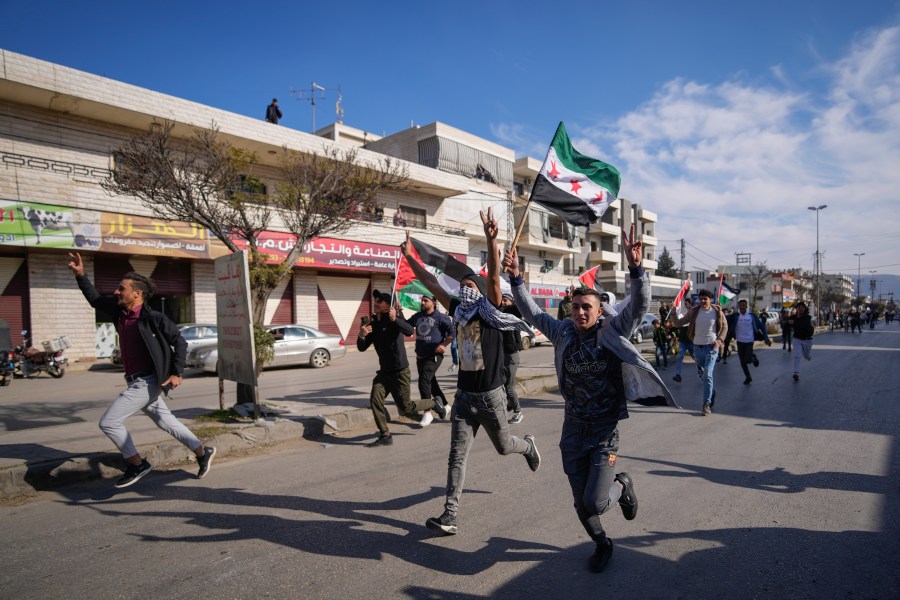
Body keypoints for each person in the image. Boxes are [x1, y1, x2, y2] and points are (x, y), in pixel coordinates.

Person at [505, 225, 678, 573]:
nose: (580, 312)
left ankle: (622, 484)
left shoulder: (612, 331)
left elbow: (640, 305)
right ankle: (603, 545)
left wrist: (636, 269)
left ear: (599, 310)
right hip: (573, 430)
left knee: (596, 502)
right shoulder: (564, 332)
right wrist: (516, 282)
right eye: (575, 307)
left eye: (587, 307)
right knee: (579, 503)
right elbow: (534, 315)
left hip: (603, 434)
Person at [400, 211, 540, 537]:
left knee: (505, 447)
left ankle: (529, 447)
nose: (464, 290)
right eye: (461, 286)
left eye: (468, 286)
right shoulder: (458, 311)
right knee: (456, 457)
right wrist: (410, 258)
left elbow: (492, 278)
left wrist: (492, 240)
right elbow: (432, 282)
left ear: (479, 290)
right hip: (463, 398)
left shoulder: (489, 312)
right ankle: (449, 515)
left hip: (491, 398)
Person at [66, 252, 216, 488]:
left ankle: (136, 463)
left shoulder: (154, 318)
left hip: (148, 381)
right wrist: (81, 275)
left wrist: (177, 372)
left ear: (137, 293)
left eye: (121, 288)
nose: (116, 292)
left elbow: (180, 342)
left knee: (109, 422)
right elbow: (95, 299)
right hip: (134, 379)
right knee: (165, 420)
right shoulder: (120, 314)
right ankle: (201, 451)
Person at [357, 290, 437, 447]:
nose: (376, 302)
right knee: (375, 401)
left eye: (380, 301)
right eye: (375, 300)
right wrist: (361, 335)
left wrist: (396, 319)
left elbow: (409, 331)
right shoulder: (372, 324)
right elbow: (362, 348)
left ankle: (434, 403)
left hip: (400, 372)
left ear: (387, 306)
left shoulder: (393, 320)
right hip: (384, 373)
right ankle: (385, 435)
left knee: (406, 408)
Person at [671, 289, 728, 416]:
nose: (702, 301)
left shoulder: (717, 311)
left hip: (711, 347)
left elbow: (725, 327)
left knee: (708, 374)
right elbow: (679, 323)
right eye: (701, 299)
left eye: (705, 299)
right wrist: (674, 314)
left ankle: (706, 404)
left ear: (710, 300)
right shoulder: (694, 311)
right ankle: (711, 392)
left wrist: (719, 341)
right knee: (703, 375)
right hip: (697, 348)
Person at [406, 294, 453, 420]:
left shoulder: (441, 317)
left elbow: (454, 332)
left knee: (423, 381)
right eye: (422, 301)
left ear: (433, 302)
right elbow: (406, 326)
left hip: (434, 355)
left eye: (425, 301)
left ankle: (427, 412)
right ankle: (445, 405)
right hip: (420, 355)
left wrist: (444, 344)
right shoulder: (418, 316)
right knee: (431, 382)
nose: (422, 303)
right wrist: (398, 313)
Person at [725, 299, 772, 385]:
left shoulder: (751, 316)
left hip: (749, 341)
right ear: (738, 307)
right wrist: (717, 309)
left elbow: (762, 326)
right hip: (739, 342)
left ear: (746, 307)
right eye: (740, 305)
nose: (742, 307)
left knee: (747, 359)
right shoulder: (735, 316)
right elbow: (724, 318)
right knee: (742, 363)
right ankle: (748, 377)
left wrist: (766, 338)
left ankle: (752, 357)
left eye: (744, 305)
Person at [500, 292, 524, 424]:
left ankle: (518, 412)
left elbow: (519, 307)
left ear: (511, 302)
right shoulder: (500, 314)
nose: (503, 302)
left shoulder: (513, 312)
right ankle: (509, 405)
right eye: (501, 300)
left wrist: (519, 290)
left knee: (508, 386)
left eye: (505, 300)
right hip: (501, 354)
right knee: (502, 385)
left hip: (511, 355)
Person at [787, 302, 814, 381]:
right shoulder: (793, 317)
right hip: (797, 339)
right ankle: (796, 373)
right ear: (796, 309)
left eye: (802, 307)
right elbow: (786, 323)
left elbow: (802, 324)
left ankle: (807, 356)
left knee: (806, 355)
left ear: (805, 309)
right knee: (797, 356)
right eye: (799, 307)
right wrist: (786, 322)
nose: (800, 309)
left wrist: (793, 322)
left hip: (807, 340)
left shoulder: (807, 317)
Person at [671, 298, 694, 383]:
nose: (685, 305)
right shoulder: (681, 316)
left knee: (696, 358)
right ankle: (678, 375)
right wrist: (674, 310)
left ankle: (702, 371)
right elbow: (677, 322)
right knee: (680, 357)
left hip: (691, 342)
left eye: (687, 303)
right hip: (683, 342)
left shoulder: (692, 314)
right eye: (684, 303)